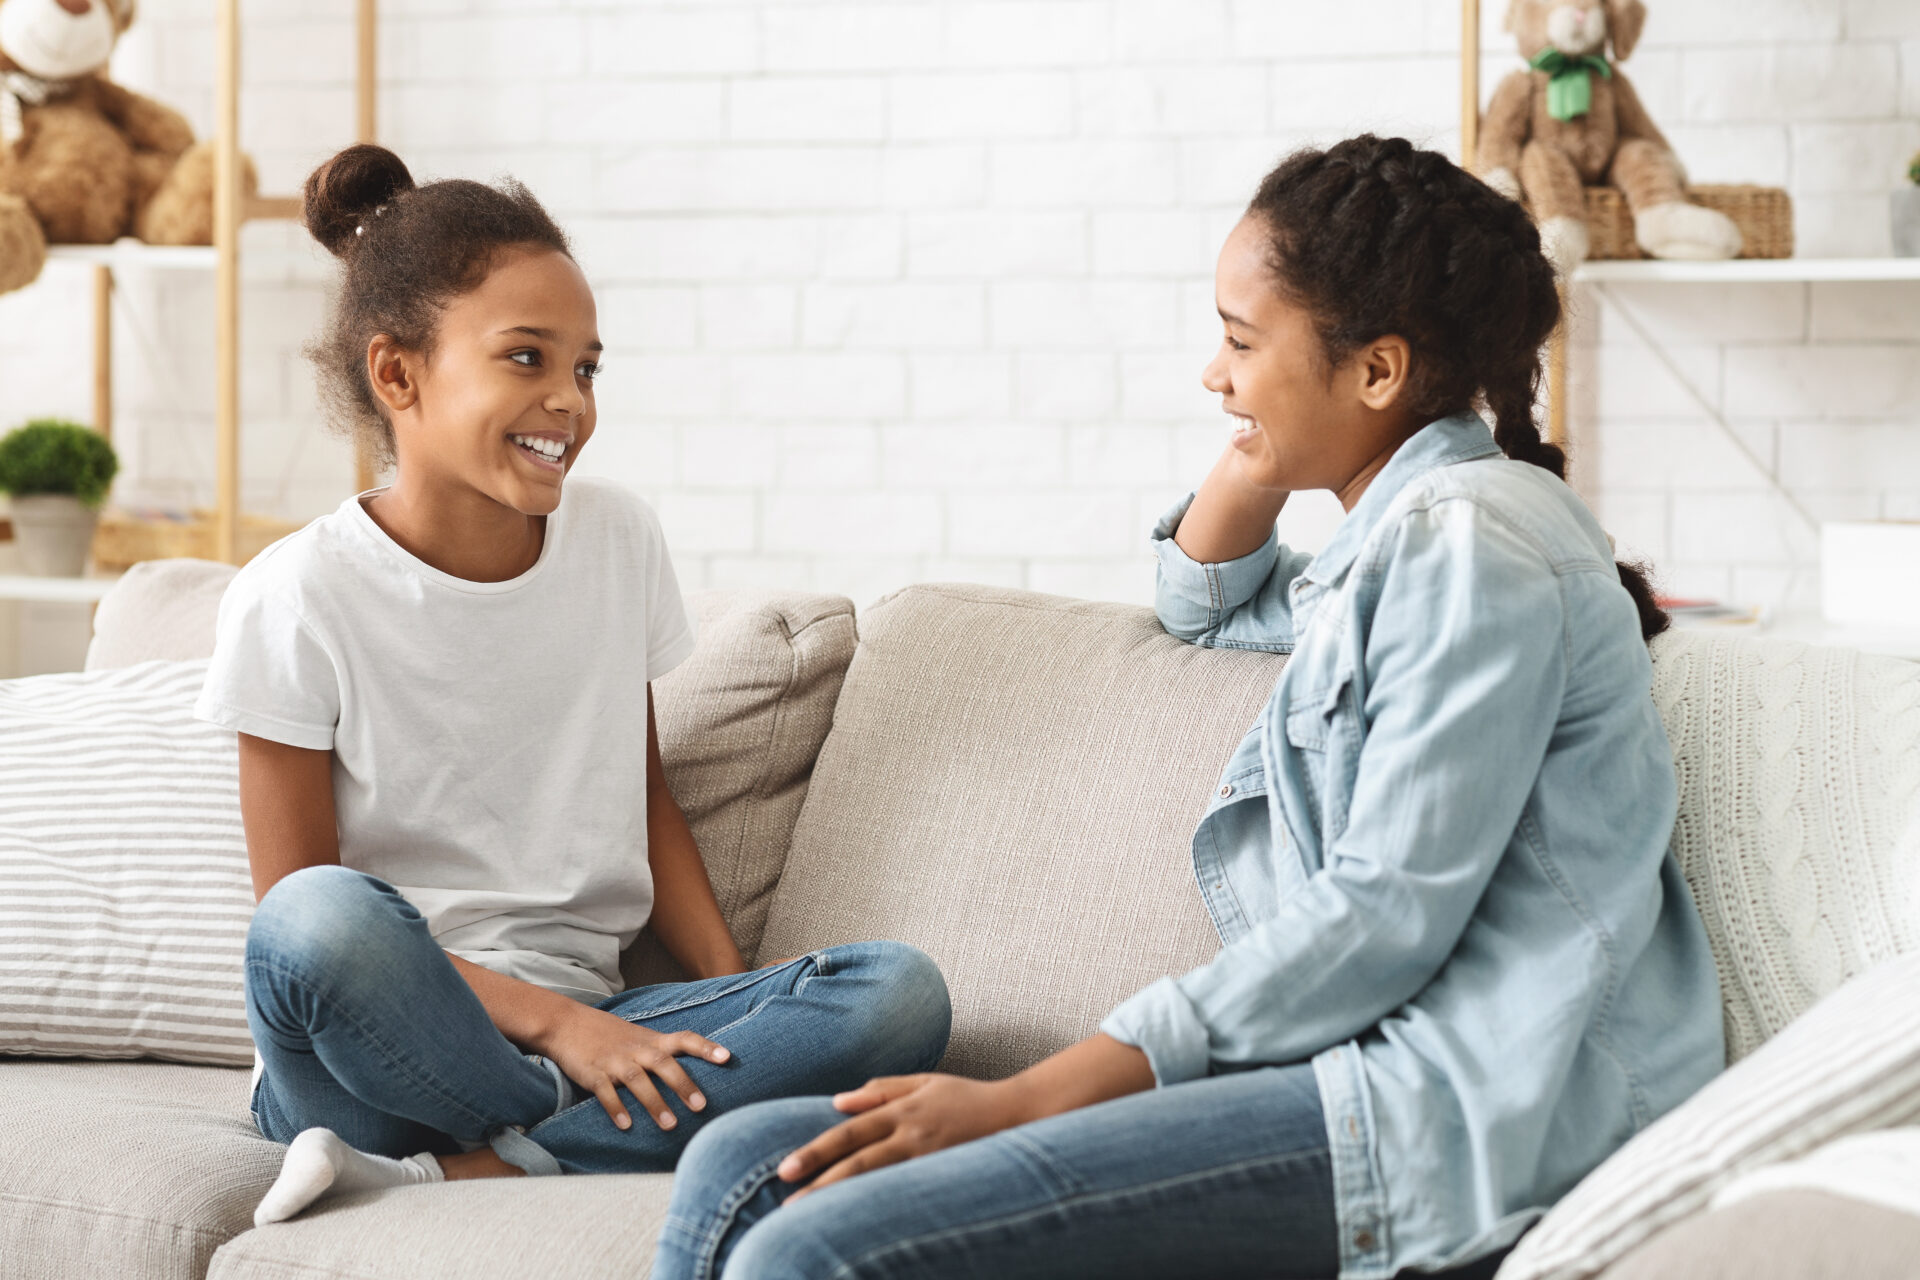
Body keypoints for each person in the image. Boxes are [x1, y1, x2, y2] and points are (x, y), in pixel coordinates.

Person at [649, 134, 1726, 1280]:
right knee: (745, 1158)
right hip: (1344, 1070)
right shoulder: (1393, 541)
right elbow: (1201, 601)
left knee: (810, 1244)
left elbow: (1387, 911)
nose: (1212, 374)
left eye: (1239, 340)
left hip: (1462, 1107)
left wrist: (1026, 1096)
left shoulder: (1472, 546)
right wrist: (1272, 430)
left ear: (1378, 370)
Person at [193, 144, 951, 1229]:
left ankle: (462, 1166)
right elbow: (292, 916)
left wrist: (736, 1002)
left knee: (898, 991)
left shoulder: (615, 540)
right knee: (317, 919)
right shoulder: (296, 594)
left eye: (586, 367)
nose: (568, 401)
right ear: (397, 375)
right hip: (367, 1052)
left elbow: (639, 795)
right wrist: (559, 1029)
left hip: (603, 1012)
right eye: (526, 358)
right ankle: (557, 1129)